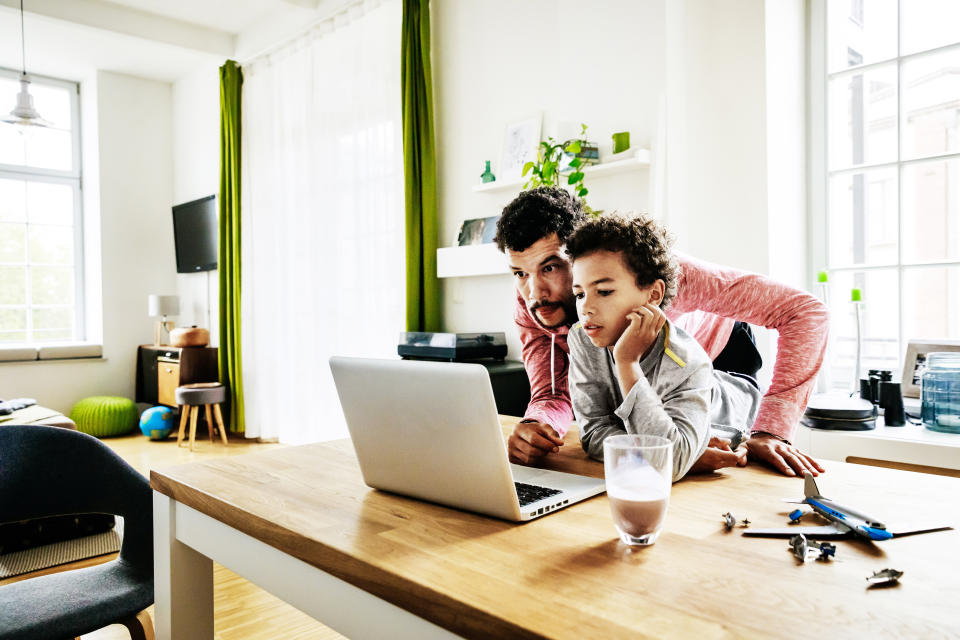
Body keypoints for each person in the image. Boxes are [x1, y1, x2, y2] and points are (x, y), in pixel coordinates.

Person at [493, 187, 826, 477]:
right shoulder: (534, 304)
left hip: (720, 363)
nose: (534, 292)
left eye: (550, 267)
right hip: (635, 374)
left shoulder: (663, 273)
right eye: (520, 273)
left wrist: (772, 429)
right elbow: (553, 395)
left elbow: (804, 312)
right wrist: (536, 425)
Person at [566, 214, 762, 480]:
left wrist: (627, 363)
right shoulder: (583, 337)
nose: (585, 308)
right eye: (579, 294)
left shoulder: (689, 362)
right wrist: (666, 453)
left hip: (735, 393)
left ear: (653, 294)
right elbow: (593, 433)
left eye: (604, 291)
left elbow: (671, 462)